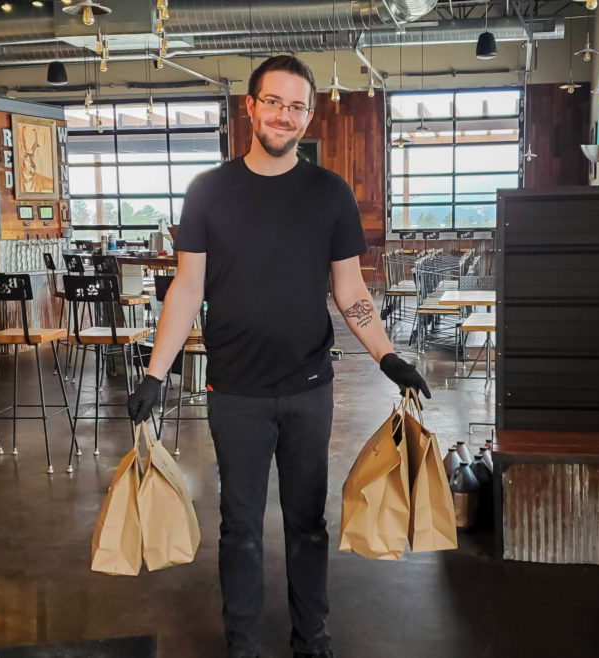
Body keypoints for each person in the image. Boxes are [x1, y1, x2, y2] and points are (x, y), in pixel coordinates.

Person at [127, 55, 431, 658]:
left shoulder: (330, 195)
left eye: (296, 106)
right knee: (239, 528)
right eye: (273, 102)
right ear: (250, 107)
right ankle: (242, 644)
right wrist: (156, 373)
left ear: (308, 116)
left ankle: (311, 641)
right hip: (234, 392)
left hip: (308, 388)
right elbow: (187, 288)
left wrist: (388, 357)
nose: (283, 116)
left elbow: (351, 292)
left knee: (307, 526)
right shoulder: (208, 192)